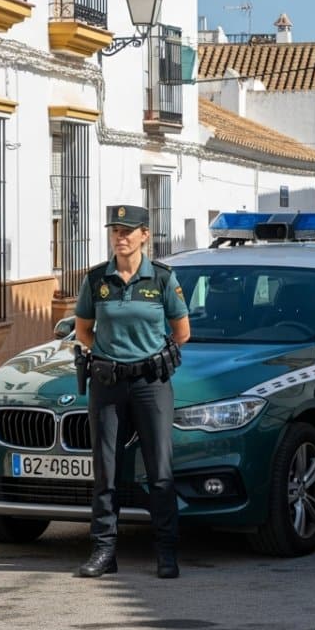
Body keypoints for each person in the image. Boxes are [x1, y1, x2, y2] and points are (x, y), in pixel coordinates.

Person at [74, 205, 190, 579]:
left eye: (127, 231)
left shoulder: (160, 279)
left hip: (150, 384)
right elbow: (84, 330)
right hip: (108, 384)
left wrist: (151, 354)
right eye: (115, 231)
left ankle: (166, 552)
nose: (120, 237)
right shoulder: (96, 280)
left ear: (145, 235)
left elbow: (182, 331)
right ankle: (104, 551)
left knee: (159, 470)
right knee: (106, 470)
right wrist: (111, 356)